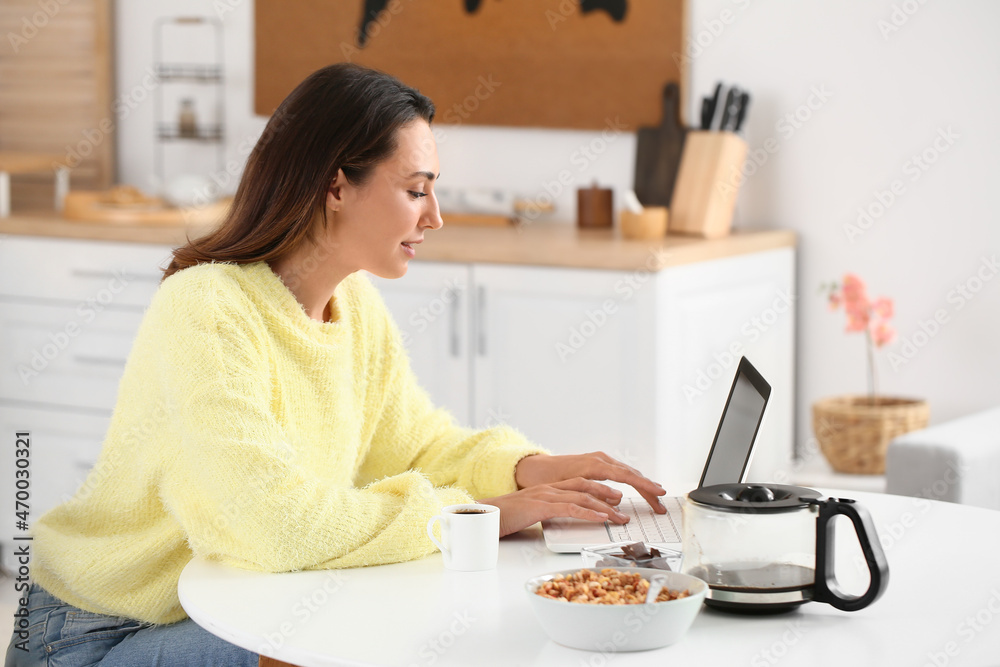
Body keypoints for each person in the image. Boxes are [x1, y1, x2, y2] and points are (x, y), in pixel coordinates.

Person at [6, 62, 667, 666]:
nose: (435, 216)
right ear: (336, 186)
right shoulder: (207, 307)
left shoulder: (353, 302)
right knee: (345, 644)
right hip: (98, 633)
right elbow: (278, 525)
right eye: (416, 190)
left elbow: (414, 445)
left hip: (235, 600)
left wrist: (528, 469)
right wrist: (481, 513)